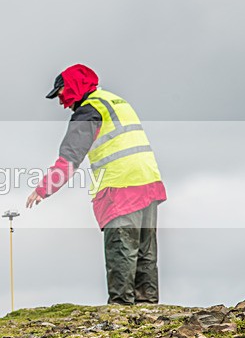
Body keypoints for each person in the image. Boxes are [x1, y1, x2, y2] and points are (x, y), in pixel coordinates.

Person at [25, 64, 167, 305]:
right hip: (148, 181)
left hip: (120, 185)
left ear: (72, 87)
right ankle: (148, 312)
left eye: (61, 93)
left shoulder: (90, 110)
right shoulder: (116, 101)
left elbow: (70, 156)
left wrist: (44, 189)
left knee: (121, 249)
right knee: (145, 253)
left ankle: (121, 311)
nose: (61, 102)